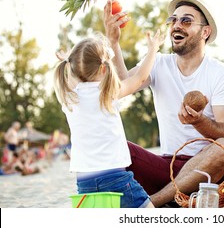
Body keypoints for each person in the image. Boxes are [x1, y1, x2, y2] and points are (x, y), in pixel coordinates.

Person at [104, 0, 224, 207]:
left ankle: (152, 204)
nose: (176, 25)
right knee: (113, 146)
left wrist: (199, 122)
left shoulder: (221, 74)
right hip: (167, 168)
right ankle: (167, 199)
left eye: (186, 21)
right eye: (174, 20)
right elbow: (122, 85)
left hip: (206, 172)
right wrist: (113, 42)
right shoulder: (158, 63)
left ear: (205, 32)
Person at [53, 31, 164, 208]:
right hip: (115, 179)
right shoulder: (108, 93)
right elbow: (140, 77)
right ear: (104, 68)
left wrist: (70, 61)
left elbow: (74, 76)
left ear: (70, 67)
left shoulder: (68, 98)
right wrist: (153, 49)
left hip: (84, 184)